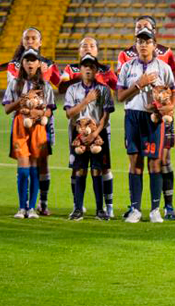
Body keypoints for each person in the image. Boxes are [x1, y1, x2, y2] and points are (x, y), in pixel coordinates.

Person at [0, 28, 62, 215]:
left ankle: (40, 203)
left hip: (42, 122)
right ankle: (23, 206)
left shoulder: (48, 66)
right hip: (20, 120)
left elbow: (60, 84)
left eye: (33, 38)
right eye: (26, 38)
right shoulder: (14, 67)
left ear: (40, 41)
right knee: (25, 163)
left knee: (41, 163)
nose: (30, 40)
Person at [118, 16, 175, 219]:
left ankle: (154, 210)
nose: (143, 45)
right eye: (140, 41)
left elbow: (174, 92)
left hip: (154, 119)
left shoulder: (164, 68)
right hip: (133, 117)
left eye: (147, 41)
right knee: (135, 162)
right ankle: (135, 208)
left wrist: (168, 107)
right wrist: (139, 84)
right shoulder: (127, 67)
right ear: (135, 45)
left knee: (154, 162)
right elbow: (120, 97)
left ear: (154, 44)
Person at [59, 36, 118, 217]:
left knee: (97, 169)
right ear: (81, 68)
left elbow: (106, 116)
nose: (88, 69)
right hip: (77, 136)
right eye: (85, 66)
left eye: (91, 67)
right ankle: (78, 208)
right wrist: (86, 101)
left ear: (95, 69)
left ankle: (101, 209)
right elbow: (69, 114)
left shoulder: (104, 89)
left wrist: (95, 134)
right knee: (79, 170)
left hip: (98, 136)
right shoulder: (72, 89)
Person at [2, 48, 55, 219]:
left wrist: (38, 114)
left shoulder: (45, 86)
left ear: (39, 63)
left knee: (34, 169)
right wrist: (24, 98)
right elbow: (7, 109)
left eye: (33, 60)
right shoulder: (15, 84)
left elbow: (49, 112)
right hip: (20, 126)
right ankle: (21, 207)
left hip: (38, 127)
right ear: (22, 64)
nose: (30, 63)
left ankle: (31, 208)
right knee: (23, 170)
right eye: (27, 60)